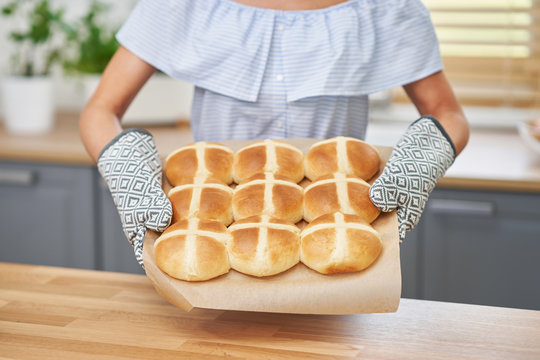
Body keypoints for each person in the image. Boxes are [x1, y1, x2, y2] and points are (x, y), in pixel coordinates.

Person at [80, 0, 469, 267]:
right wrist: (124, 167)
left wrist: (423, 159)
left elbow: (446, 113)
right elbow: (100, 110)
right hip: (202, 236)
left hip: (337, 238)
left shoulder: (384, 6)